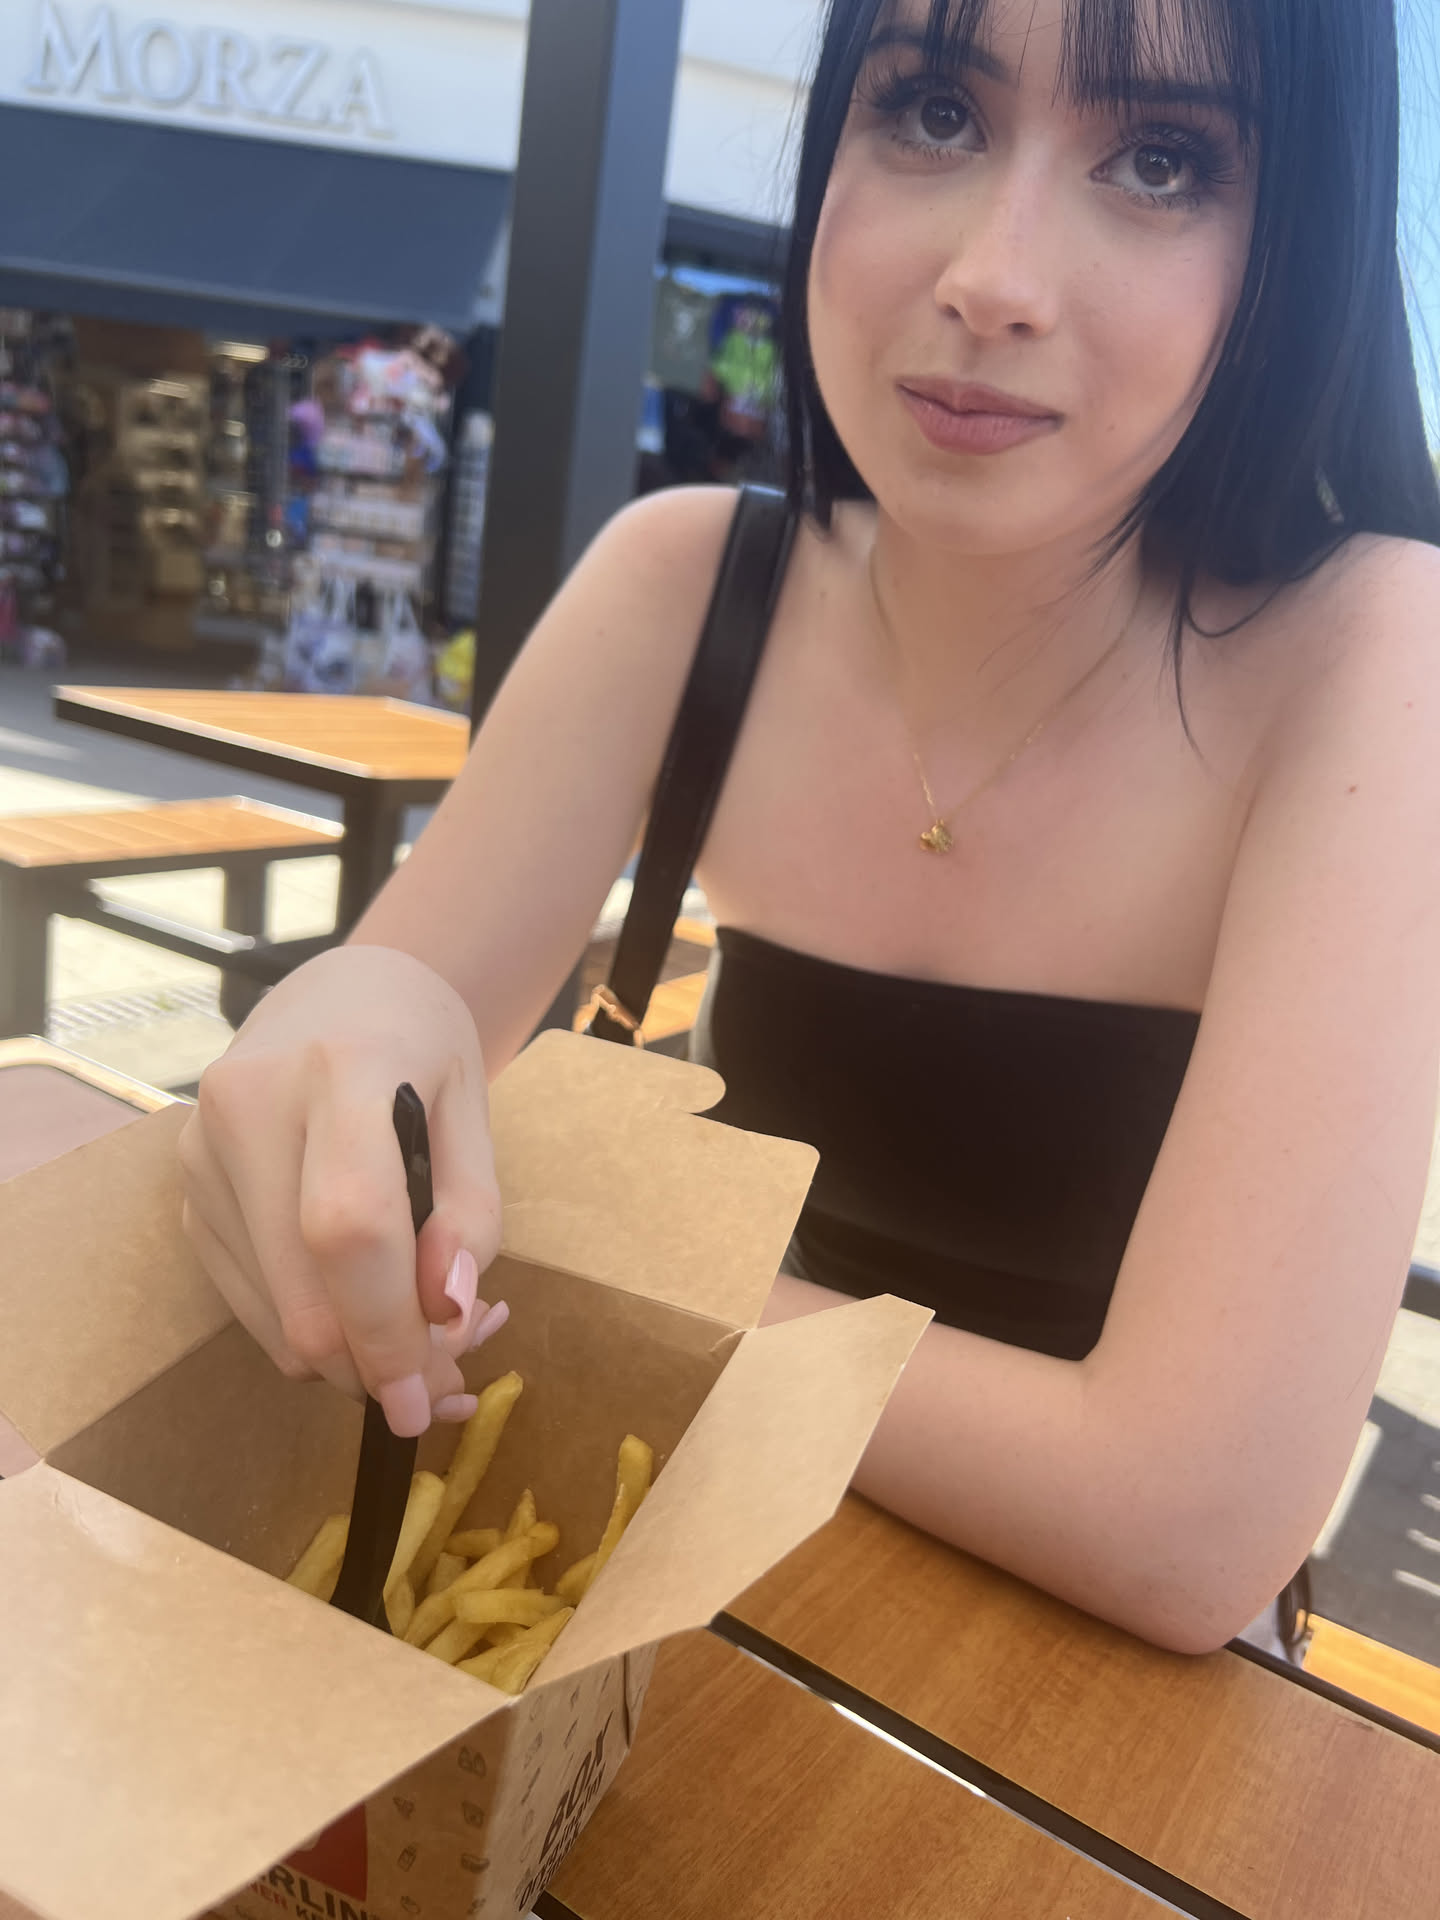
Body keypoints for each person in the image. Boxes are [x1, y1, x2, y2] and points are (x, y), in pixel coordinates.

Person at [179, 0, 1440, 1658]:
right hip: (690, 1574)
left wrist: (597, 1264)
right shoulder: (690, 585)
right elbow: (394, 1042)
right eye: (934, 112)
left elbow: (1184, 1528)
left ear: (1296, 243)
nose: (993, 277)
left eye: (1159, 160)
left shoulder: (1373, 648)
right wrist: (354, 1022)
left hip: (1094, 1718)